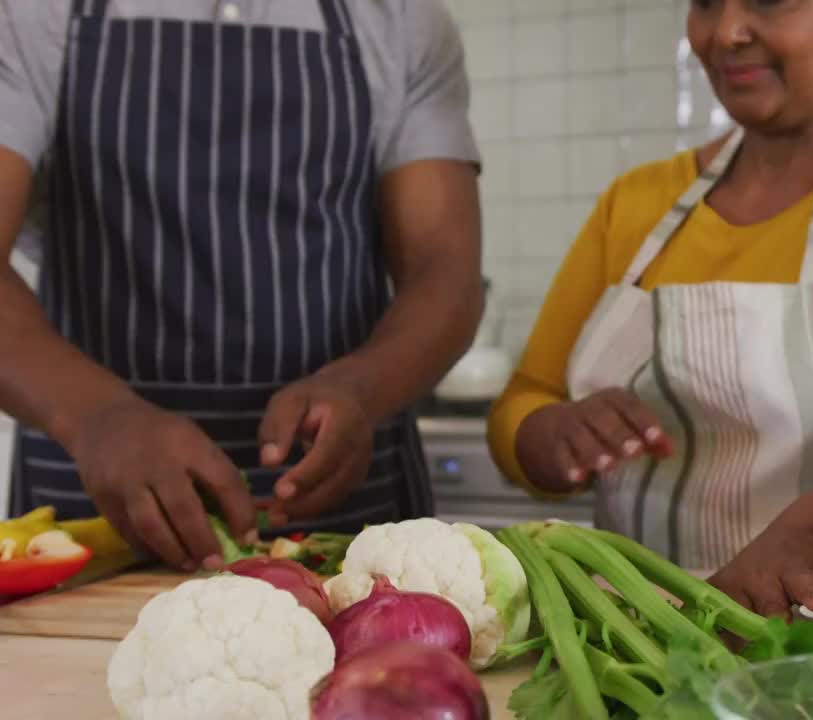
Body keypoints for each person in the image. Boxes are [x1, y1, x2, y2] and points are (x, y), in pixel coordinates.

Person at [487, 0, 813, 614]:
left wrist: (806, 537)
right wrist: (545, 437)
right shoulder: (635, 204)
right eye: (707, 2)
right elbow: (527, 395)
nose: (727, 32)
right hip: (637, 636)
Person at [0, 1, 484, 571]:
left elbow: (445, 271)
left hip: (350, 521)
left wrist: (362, 388)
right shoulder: (32, 13)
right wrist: (97, 417)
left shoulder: (399, 17)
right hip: (93, 504)